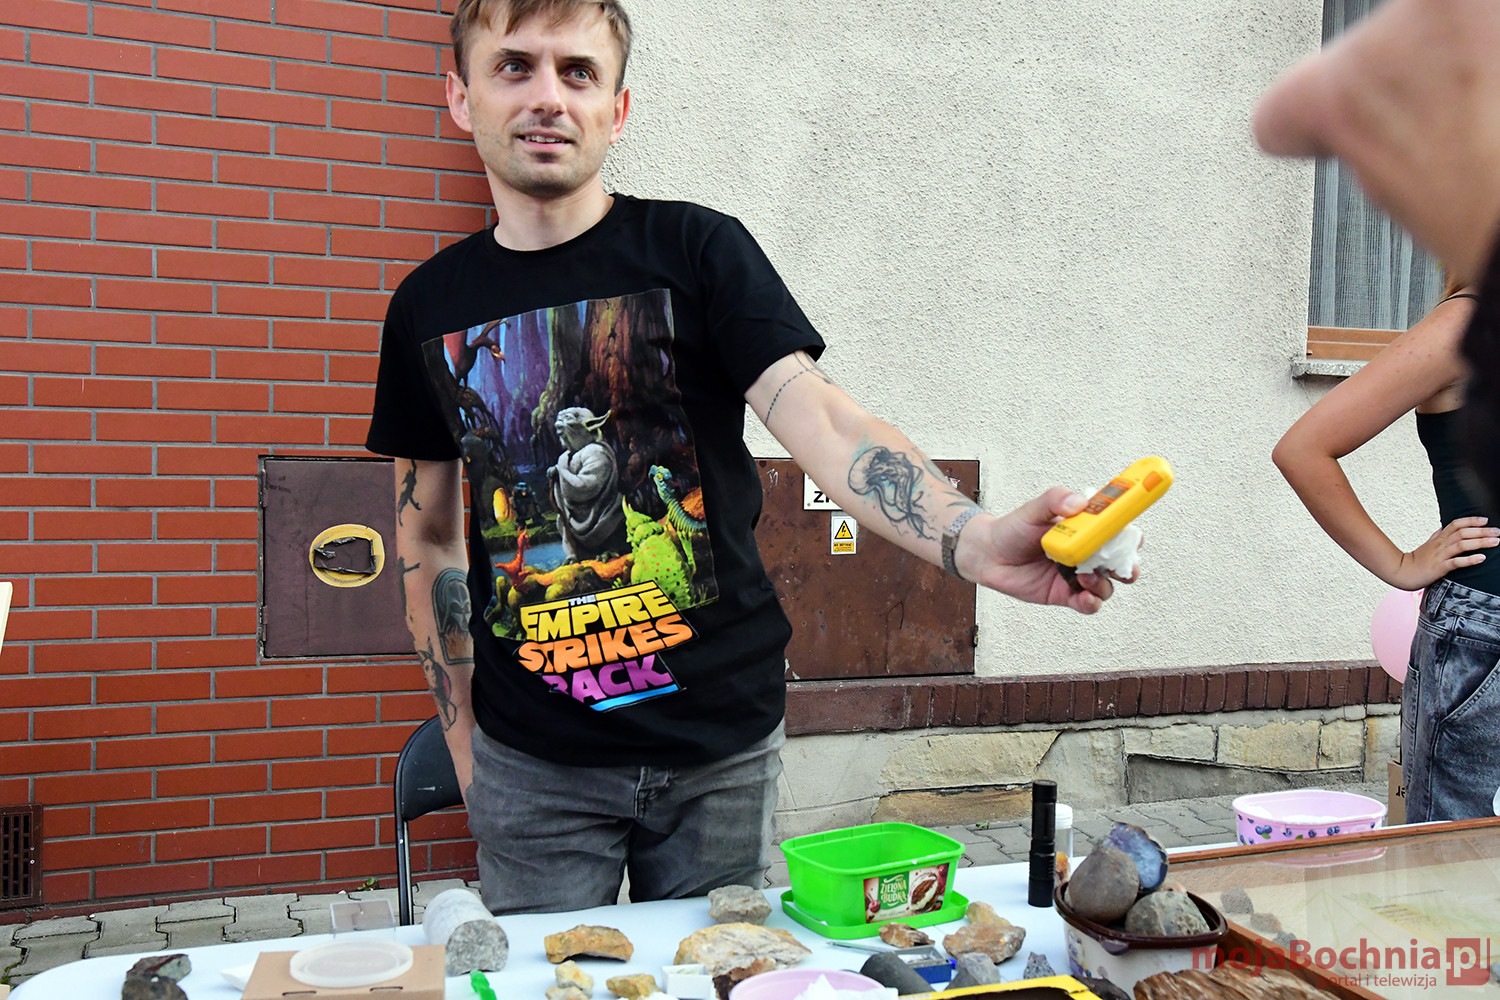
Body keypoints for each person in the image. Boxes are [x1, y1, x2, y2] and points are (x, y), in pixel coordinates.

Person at [366, 0, 1131, 916]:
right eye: (514, 66)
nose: (549, 98)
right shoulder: (428, 307)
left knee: (721, 971)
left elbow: (824, 423)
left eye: (579, 72)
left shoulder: (698, 250)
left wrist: (976, 540)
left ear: (618, 107)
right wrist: (463, 742)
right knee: (546, 979)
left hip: (718, 754)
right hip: (535, 766)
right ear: (461, 96)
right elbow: (427, 540)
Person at [1273, 282, 1500, 820]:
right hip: (1486, 637)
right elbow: (1303, 450)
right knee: (1457, 862)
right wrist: (1400, 563)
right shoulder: (1464, 326)